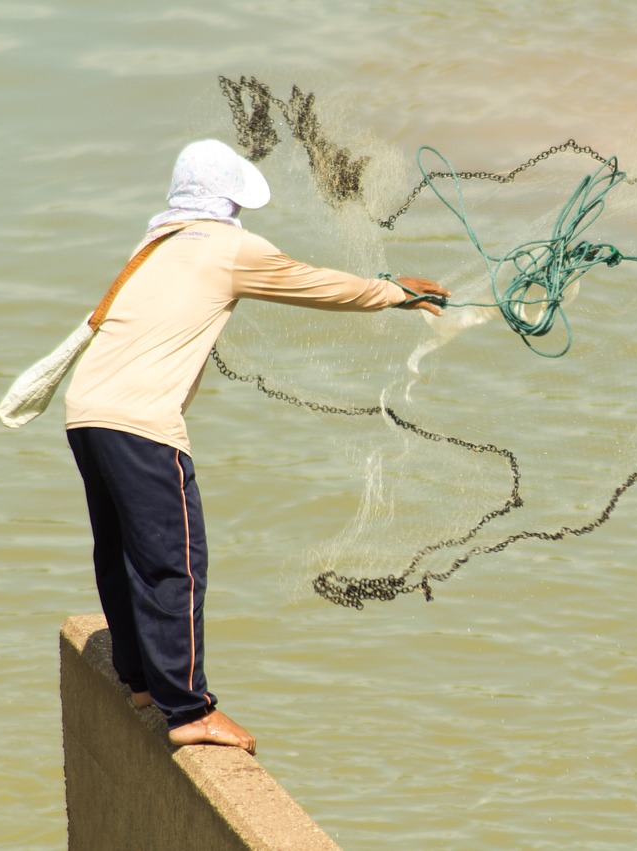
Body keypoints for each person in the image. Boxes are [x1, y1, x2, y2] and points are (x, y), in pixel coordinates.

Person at [63, 139, 449, 754]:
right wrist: (395, 291)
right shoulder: (228, 247)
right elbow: (317, 285)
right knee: (176, 562)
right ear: (228, 201)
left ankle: (140, 681)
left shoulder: (153, 244)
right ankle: (190, 710)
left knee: (122, 551)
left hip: (87, 414)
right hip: (142, 421)